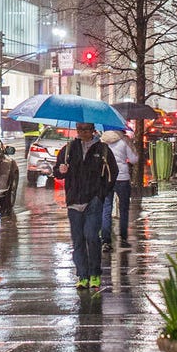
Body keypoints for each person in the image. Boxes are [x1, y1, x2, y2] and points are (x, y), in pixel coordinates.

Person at [56, 122, 118, 290]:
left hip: (93, 201)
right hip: (74, 201)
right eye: (79, 129)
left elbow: (112, 173)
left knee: (91, 236)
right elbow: (57, 171)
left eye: (86, 129)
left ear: (92, 130)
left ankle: (95, 274)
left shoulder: (102, 150)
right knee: (78, 241)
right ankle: (82, 276)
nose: (82, 132)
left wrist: (101, 194)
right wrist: (61, 170)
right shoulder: (69, 149)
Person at [101, 129, 138, 250]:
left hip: (107, 178)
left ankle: (106, 241)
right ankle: (123, 238)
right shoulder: (124, 140)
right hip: (122, 178)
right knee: (123, 209)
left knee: (106, 208)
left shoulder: (102, 141)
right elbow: (134, 159)